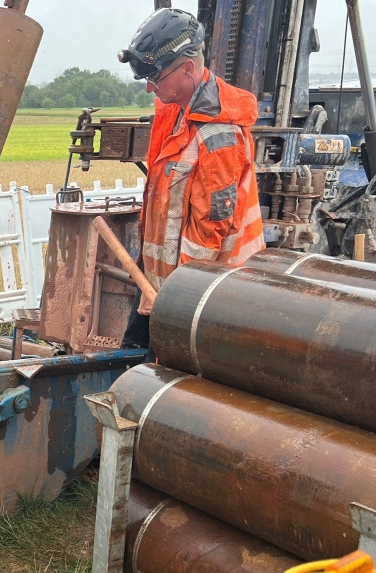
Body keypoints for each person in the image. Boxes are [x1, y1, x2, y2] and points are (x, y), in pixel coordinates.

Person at [117, 7, 265, 348]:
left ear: (187, 68)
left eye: (155, 78)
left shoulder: (218, 137)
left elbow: (208, 235)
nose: (149, 88)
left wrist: (176, 302)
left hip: (202, 294)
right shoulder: (174, 112)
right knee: (130, 360)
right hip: (160, 284)